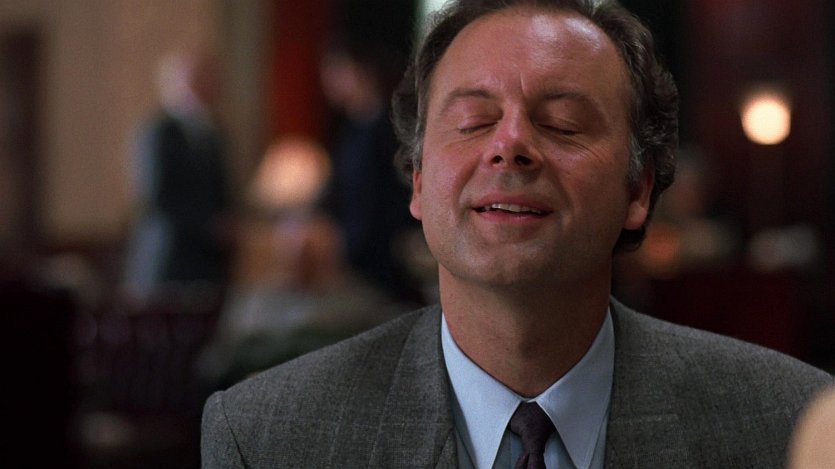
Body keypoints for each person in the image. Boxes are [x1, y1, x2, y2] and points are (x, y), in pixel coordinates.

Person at [201, 1, 833, 467]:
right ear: (418, 181)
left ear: (639, 191)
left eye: (562, 124)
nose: (509, 145)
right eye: (473, 121)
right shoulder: (265, 438)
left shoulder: (789, 426)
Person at [121, 46, 233, 310]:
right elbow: (156, 197)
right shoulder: (157, 132)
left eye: (207, 78)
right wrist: (208, 223)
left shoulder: (216, 133)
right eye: (194, 79)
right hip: (168, 259)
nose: (202, 87)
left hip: (208, 263)